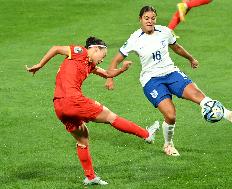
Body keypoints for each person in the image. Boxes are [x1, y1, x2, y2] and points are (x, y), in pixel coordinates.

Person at [105, 6, 232, 157]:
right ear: (140, 19)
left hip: (171, 73)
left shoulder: (164, 31)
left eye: (153, 18)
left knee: (198, 95)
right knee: (171, 115)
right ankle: (168, 144)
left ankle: (230, 115)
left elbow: (176, 47)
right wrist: (110, 77)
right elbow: (116, 59)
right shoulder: (135, 38)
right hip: (152, 80)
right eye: (146, 18)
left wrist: (191, 58)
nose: (150, 21)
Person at [26, 36, 160, 185]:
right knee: (110, 116)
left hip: (59, 106)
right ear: (96, 49)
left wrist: (122, 69)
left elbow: (108, 74)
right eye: (103, 55)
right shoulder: (79, 51)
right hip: (73, 101)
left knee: (83, 138)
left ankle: (90, 177)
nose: (103, 59)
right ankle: (147, 135)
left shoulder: (90, 65)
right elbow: (56, 48)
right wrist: (39, 64)